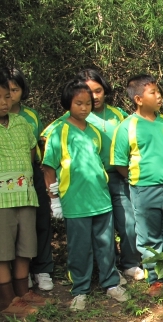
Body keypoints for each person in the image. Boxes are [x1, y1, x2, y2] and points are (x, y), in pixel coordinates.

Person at [41, 70, 143, 282]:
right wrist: (55, 194)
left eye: (98, 91)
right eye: (88, 93)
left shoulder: (116, 115)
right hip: (85, 186)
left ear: (105, 90)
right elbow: (48, 145)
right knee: (92, 233)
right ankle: (95, 275)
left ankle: (127, 265)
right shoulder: (68, 121)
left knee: (127, 222)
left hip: (116, 178)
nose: (93, 98)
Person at [111, 74, 163, 297]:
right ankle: (155, 279)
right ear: (138, 99)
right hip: (143, 190)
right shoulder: (127, 127)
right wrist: (140, 179)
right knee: (148, 237)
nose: (159, 96)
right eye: (153, 92)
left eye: (159, 92)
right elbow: (120, 162)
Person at [0, 69, 47, 316]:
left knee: (25, 247)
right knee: (2, 251)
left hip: (25, 194)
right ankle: (8, 300)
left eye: (7, 96)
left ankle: (23, 292)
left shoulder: (22, 123)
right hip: (1, 201)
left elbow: (31, 152)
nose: (4, 102)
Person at [6, 67, 54, 291]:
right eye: (6, 91)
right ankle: (16, 278)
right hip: (6, 182)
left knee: (40, 220)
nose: (9, 96)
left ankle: (42, 269)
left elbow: (37, 147)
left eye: (14, 90)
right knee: (10, 229)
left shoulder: (30, 117)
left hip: (30, 173)